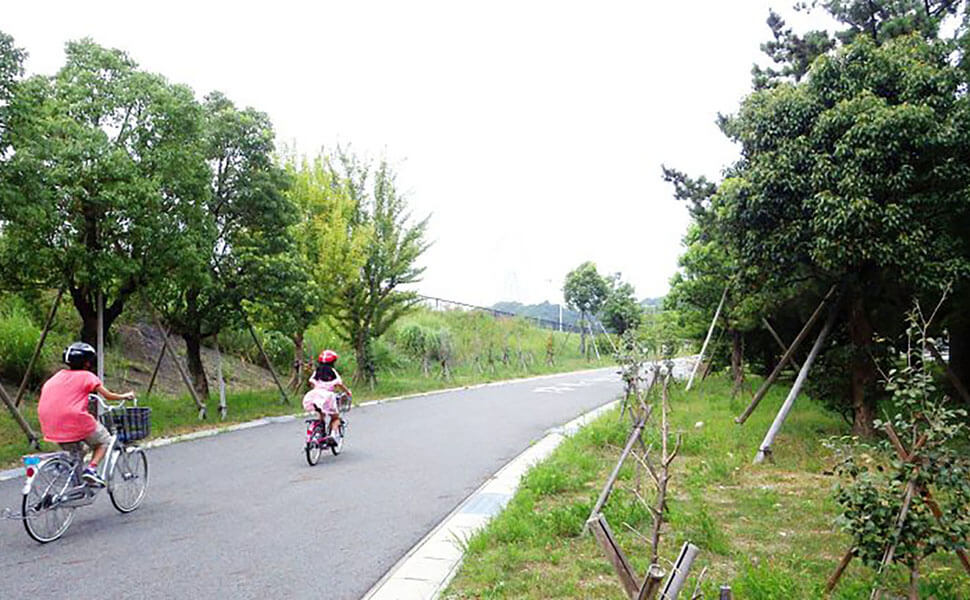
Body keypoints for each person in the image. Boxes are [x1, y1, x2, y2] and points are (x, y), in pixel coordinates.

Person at [37, 342, 135, 487]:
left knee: (78, 452)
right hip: (74, 419)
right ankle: (91, 469)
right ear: (88, 363)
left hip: (49, 421)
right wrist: (125, 396)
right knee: (104, 441)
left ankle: (71, 480)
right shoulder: (87, 376)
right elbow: (108, 396)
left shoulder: (57, 376)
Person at [302, 349, 351, 444]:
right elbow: (339, 384)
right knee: (335, 417)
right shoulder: (333, 372)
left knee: (321, 413)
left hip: (314, 395)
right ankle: (332, 435)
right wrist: (347, 392)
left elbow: (311, 382)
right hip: (327, 396)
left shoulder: (317, 371)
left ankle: (317, 433)